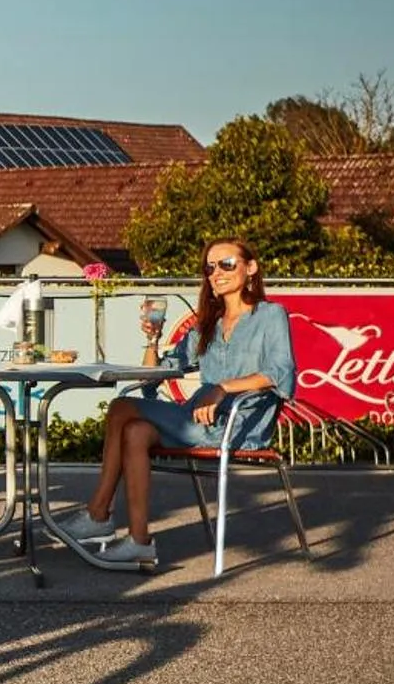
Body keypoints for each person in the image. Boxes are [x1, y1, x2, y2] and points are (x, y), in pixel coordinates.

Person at [55, 237, 295, 570]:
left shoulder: (270, 315)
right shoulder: (206, 326)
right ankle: (139, 542)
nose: (216, 273)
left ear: (250, 268)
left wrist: (223, 388)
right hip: (195, 419)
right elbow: (160, 372)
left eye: (226, 264)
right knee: (136, 430)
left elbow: (279, 372)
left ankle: (98, 514)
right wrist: (152, 338)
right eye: (210, 267)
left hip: (239, 425)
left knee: (120, 408)